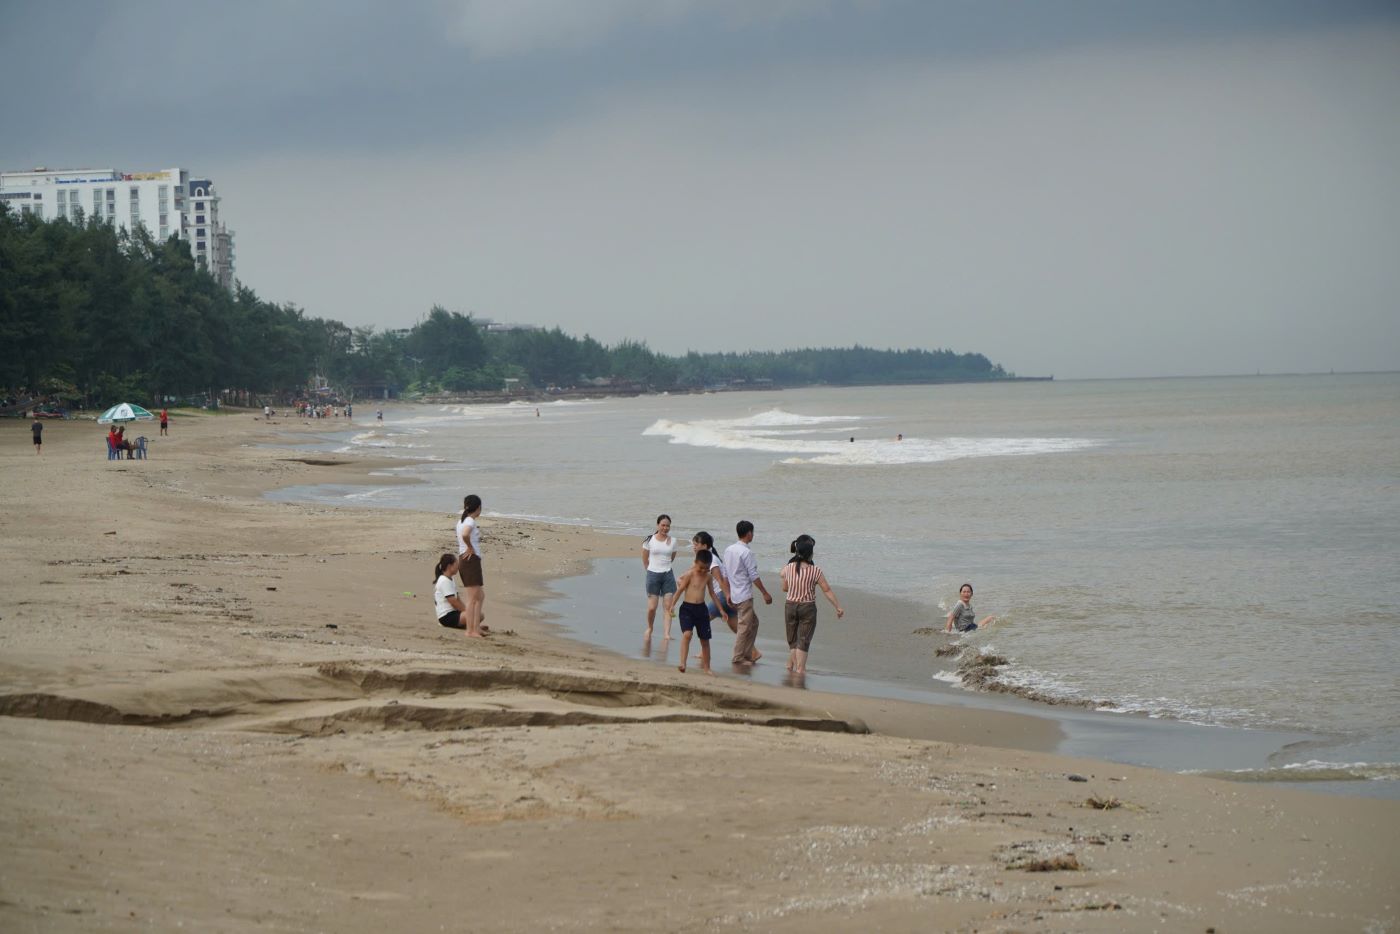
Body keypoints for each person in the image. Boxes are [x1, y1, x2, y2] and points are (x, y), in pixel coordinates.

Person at [779, 535, 844, 675]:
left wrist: (792, 581)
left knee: (793, 640)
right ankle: (800, 670)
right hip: (807, 607)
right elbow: (827, 590)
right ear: (810, 554)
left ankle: (795, 667)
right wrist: (838, 607)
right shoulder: (816, 571)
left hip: (790, 606)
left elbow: (784, 584)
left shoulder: (788, 567)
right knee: (804, 640)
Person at [722, 520, 773, 665]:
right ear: (749, 533)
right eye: (752, 532)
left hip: (734, 594)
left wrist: (727, 593)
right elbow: (753, 575)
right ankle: (739, 657)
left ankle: (748, 653)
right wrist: (764, 592)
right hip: (743, 594)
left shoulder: (729, 549)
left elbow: (724, 574)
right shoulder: (746, 552)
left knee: (754, 623)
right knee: (744, 627)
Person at [665, 550, 717, 675]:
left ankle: (707, 667)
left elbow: (712, 593)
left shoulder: (708, 576)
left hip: (701, 609)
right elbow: (680, 590)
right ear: (695, 563)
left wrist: (721, 609)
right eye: (701, 568)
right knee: (687, 634)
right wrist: (672, 605)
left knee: (705, 640)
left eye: (706, 568)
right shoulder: (689, 574)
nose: (704, 571)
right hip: (687, 608)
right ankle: (683, 663)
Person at [455, 494, 488, 637]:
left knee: (480, 596)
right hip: (470, 560)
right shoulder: (469, 521)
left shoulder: (462, 520)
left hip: (468, 560)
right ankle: (470, 630)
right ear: (478, 507)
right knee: (473, 599)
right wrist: (470, 547)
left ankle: (476, 627)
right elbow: (465, 535)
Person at [642, 514, 679, 638]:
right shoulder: (649, 540)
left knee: (668, 607)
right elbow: (645, 558)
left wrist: (664, 567)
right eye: (663, 525)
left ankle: (666, 633)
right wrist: (651, 570)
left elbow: (671, 558)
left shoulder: (673, 541)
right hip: (652, 574)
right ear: (658, 525)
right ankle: (649, 627)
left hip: (668, 575)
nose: (665, 528)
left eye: (668, 526)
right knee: (652, 607)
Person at [691, 531, 733, 632]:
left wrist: (727, 596)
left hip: (722, 596)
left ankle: (704, 648)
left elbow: (720, 580)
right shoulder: (706, 558)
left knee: (701, 622)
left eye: (696, 545)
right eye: (694, 544)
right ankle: (752, 648)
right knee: (737, 628)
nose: (694, 547)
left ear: (705, 546)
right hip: (725, 595)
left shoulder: (712, 560)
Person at [432, 554, 479, 633]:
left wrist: (467, 611)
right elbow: (453, 602)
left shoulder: (450, 579)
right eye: (456, 565)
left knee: (478, 614)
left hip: (454, 613)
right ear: (449, 566)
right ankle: (472, 626)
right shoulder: (444, 581)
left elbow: (458, 599)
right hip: (446, 617)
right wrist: (468, 613)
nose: (458, 567)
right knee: (477, 615)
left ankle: (471, 626)